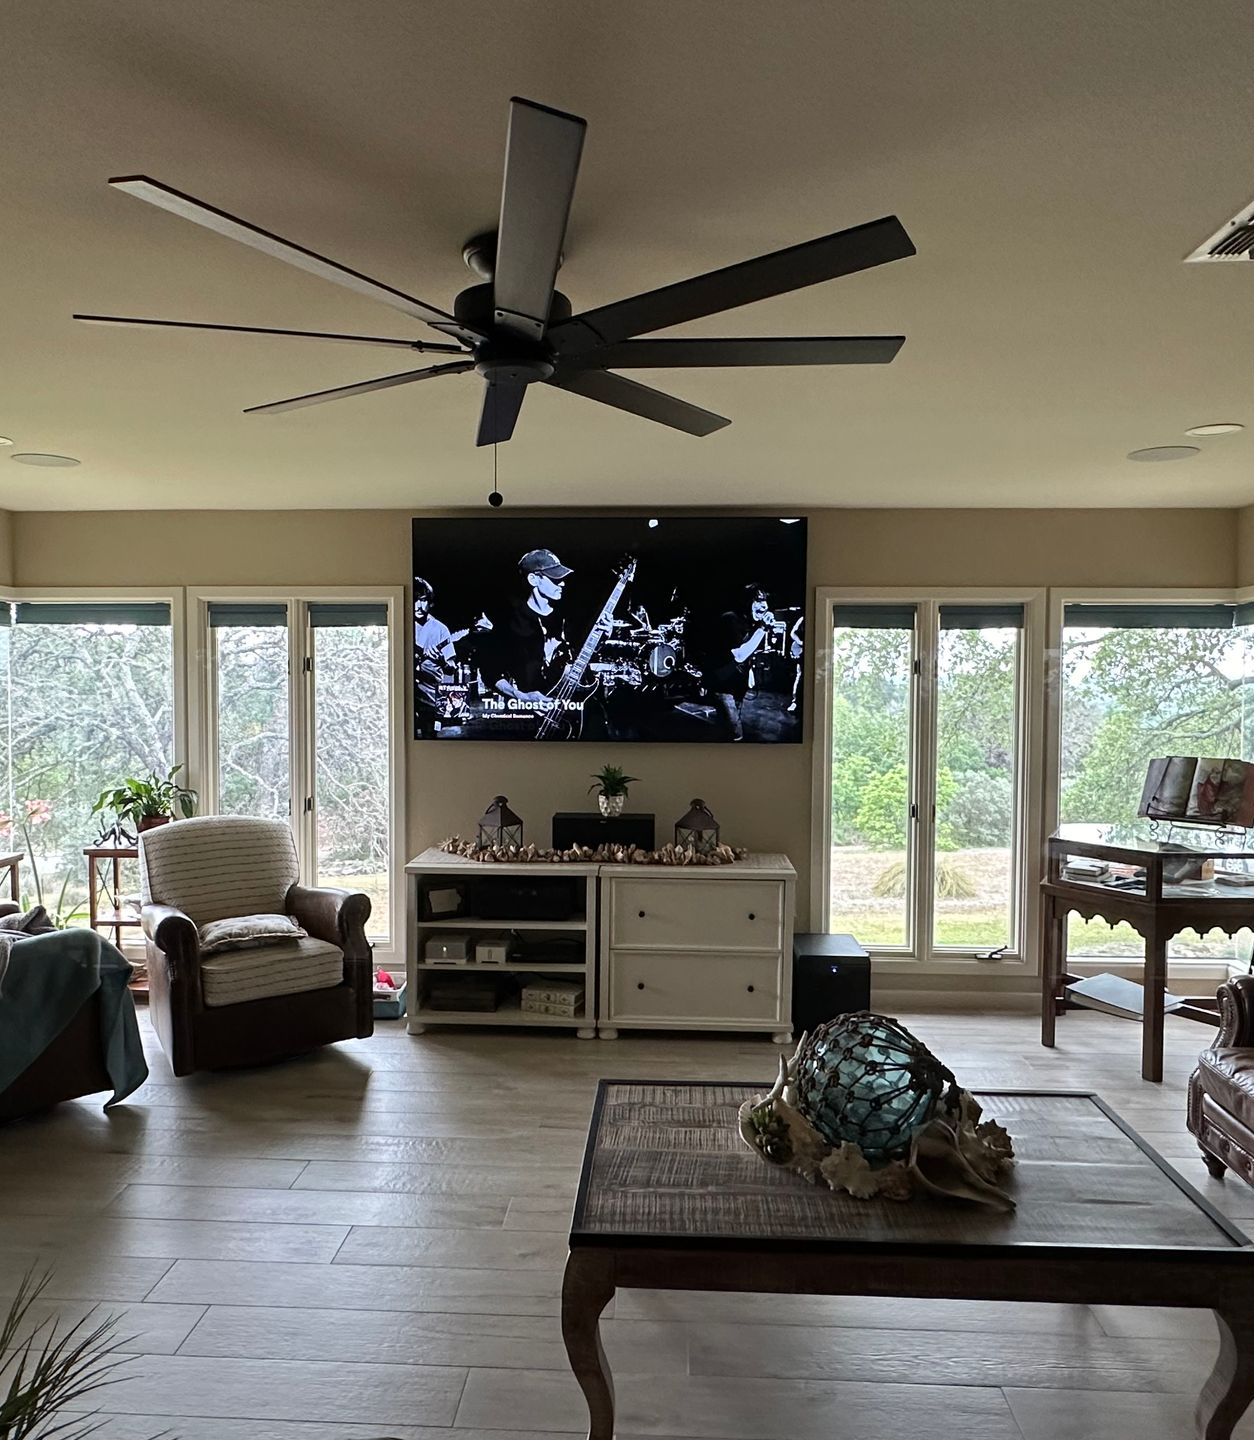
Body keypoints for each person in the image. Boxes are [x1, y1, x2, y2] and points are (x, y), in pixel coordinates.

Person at [484, 548, 575, 708]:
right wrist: (521, 697)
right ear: (533, 579)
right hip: (533, 717)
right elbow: (491, 673)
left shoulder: (570, 616)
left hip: (572, 708)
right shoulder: (510, 624)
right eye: (554, 579)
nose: (562, 583)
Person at [700, 585, 777, 741]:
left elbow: (749, 652)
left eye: (765, 601)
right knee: (735, 733)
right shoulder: (731, 619)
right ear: (747, 601)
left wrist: (749, 674)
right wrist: (762, 629)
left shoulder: (751, 623)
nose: (764, 606)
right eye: (758, 600)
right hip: (721, 685)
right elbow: (740, 654)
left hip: (736, 684)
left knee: (726, 731)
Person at [413, 577, 456, 738]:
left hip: (430, 695)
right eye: (414, 600)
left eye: (423, 600)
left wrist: (442, 661)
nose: (418, 606)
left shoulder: (440, 629)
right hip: (404, 692)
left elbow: (451, 668)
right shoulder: (400, 622)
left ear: (430, 602)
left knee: (429, 737)